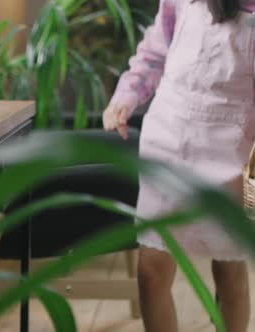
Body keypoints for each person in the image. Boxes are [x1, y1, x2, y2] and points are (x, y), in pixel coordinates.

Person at [103, 0, 255, 331]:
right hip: (168, 138)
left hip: (231, 148)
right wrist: (125, 97)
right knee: (151, 269)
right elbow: (155, 52)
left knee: (228, 265)